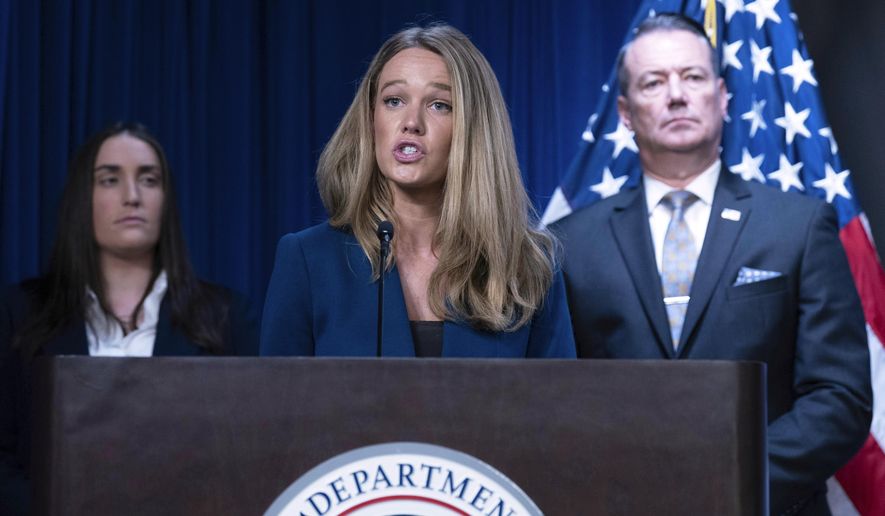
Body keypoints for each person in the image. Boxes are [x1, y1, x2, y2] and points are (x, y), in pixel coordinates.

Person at [553, 13, 871, 516]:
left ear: (723, 97)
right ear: (625, 112)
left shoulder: (800, 226)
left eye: (693, 77)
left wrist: (732, 477)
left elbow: (841, 397)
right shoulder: (569, 244)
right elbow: (555, 399)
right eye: (654, 82)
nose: (676, 95)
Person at [261, 24, 574, 359]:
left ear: (472, 130)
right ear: (371, 119)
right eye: (394, 101)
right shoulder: (309, 261)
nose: (411, 122)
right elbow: (274, 406)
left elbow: (562, 407)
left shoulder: (528, 268)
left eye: (439, 105)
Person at [0, 122, 259, 514]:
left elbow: (254, 457)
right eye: (109, 180)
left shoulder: (227, 318)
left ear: (166, 200)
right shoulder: (19, 313)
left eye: (149, 179)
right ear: (81, 199)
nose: (132, 196)